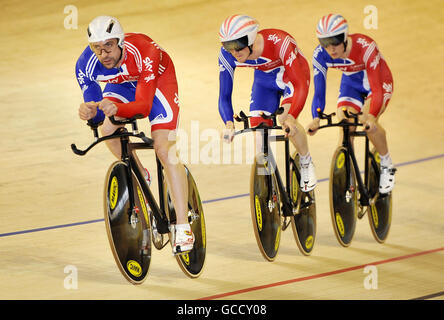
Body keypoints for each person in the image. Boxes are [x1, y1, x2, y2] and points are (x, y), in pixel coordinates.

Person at [75, 15, 193, 254]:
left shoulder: (145, 51)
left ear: (120, 41)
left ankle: (183, 225)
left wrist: (117, 108)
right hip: (123, 84)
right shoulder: (85, 65)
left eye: (108, 45)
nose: (103, 53)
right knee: (108, 129)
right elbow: (98, 115)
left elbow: (143, 106)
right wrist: (90, 112)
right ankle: (142, 176)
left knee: (163, 149)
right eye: (97, 48)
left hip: (157, 83)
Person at [218, 14, 317, 191]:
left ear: (250, 39)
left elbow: (300, 85)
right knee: (259, 133)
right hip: (264, 81)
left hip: (291, 77)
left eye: (238, 44)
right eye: (227, 46)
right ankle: (270, 189)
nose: (234, 51)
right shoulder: (227, 56)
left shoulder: (280, 42)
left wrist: (293, 117)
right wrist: (228, 123)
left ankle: (306, 161)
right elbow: (224, 95)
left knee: (285, 119)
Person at [307, 14, 396, 193]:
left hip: (377, 82)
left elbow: (377, 89)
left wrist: (371, 117)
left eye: (336, 42)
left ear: (345, 37)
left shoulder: (366, 47)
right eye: (326, 43)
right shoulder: (320, 54)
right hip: (351, 84)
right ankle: (348, 174)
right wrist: (316, 118)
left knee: (366, 121)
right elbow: (319, 91)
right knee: (344, 124)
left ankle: (387, 164)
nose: (331, 49)